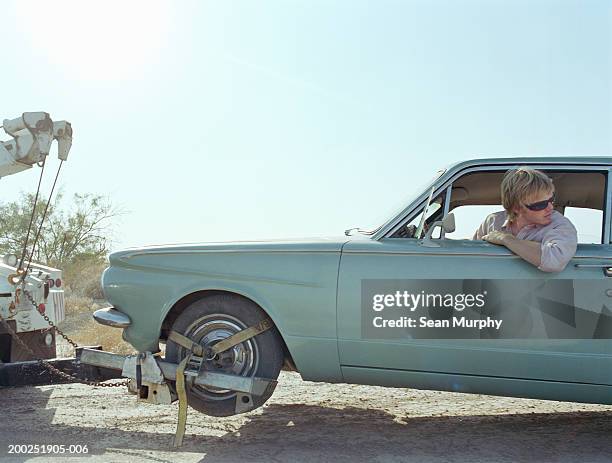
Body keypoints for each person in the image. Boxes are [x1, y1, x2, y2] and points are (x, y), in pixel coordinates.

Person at [473, 168, 577, 272]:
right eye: (541, 204)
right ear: (516, 208)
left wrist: (506, 239)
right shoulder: (493, 222)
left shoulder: (559, 225)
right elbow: (471, 257)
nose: (550, 208)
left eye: (551, 200)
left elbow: (555, 260)